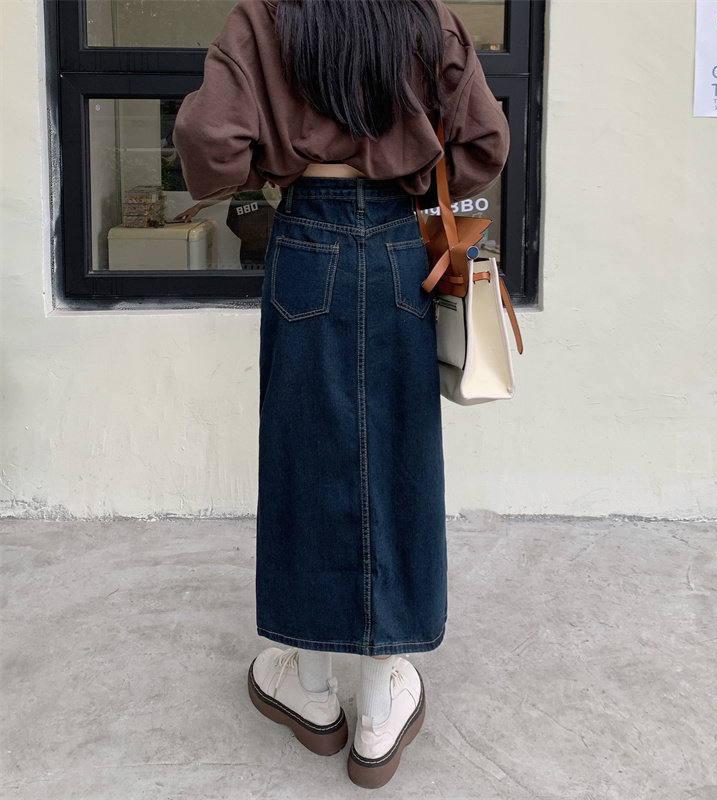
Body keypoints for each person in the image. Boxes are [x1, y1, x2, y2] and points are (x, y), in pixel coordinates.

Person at [173, 0, 508, 787]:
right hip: (398, 245)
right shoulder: (427, 18)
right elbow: (485, 140)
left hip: (305, 240)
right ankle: (380, 707)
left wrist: (270, 169)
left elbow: (209, 138)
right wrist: (416, 177)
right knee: (397, 460)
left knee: (306, 458)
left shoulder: (263, 17)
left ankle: (313, 689)